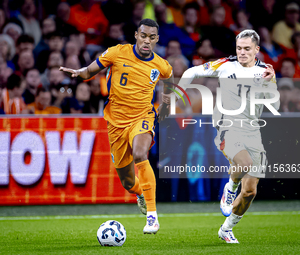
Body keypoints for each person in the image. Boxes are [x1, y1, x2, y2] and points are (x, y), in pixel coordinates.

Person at [60, 19, 173, 234]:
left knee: (141, 154)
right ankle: (140, 192)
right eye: (143, 35)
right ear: (136, 35)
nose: (147, 40)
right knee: (128, 182)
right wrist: (78, 72)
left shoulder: (161, 64)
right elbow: (88, 72)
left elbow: (169, 79)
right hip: (116, 123)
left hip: (143, 116)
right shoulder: (116, 53)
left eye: (151, 37)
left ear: (157, 39)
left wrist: (166, 105)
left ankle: (152, 216)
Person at [174, 29, 279, 243]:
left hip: (253, 131)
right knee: (244, 162)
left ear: (257, 50)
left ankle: (226, 229)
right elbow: (191, 72)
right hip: (227, 126)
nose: (241, 52)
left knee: (250, 192)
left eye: (247, 49)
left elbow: (274, 105)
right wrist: (177, 98)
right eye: (239, 48)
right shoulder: (225, 65)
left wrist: (272, 82)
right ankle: (229, 187)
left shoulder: (265, 72)